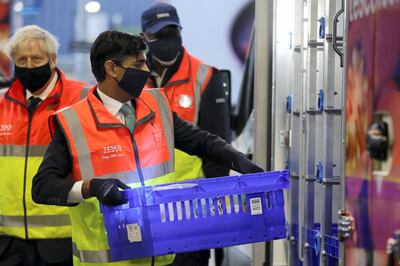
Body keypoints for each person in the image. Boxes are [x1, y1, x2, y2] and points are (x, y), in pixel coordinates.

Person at [31, 30, 263, 266]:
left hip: (160, 256)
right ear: (112, 69)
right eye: (139, 63)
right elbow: (42, 187)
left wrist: (238, 160)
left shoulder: (156, 105)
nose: (147, 71)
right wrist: (91, 187)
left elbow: (200, 141)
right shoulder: (74, 123)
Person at [141, 4, 230, 264]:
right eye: (159, 35)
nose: (167, 40)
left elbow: (217, 150)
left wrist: (217, 212)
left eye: (172, 32)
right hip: (144, 207)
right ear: (144, 37)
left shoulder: (205, 77)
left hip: (190, 209)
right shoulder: (133, 78)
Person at [0, 25, 89, 266]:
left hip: (63, 239)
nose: (29, 65)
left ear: (52, 59)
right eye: (22, 59)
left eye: (36, 58)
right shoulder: (1, 103)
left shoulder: (83, 99)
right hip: (9, 243)